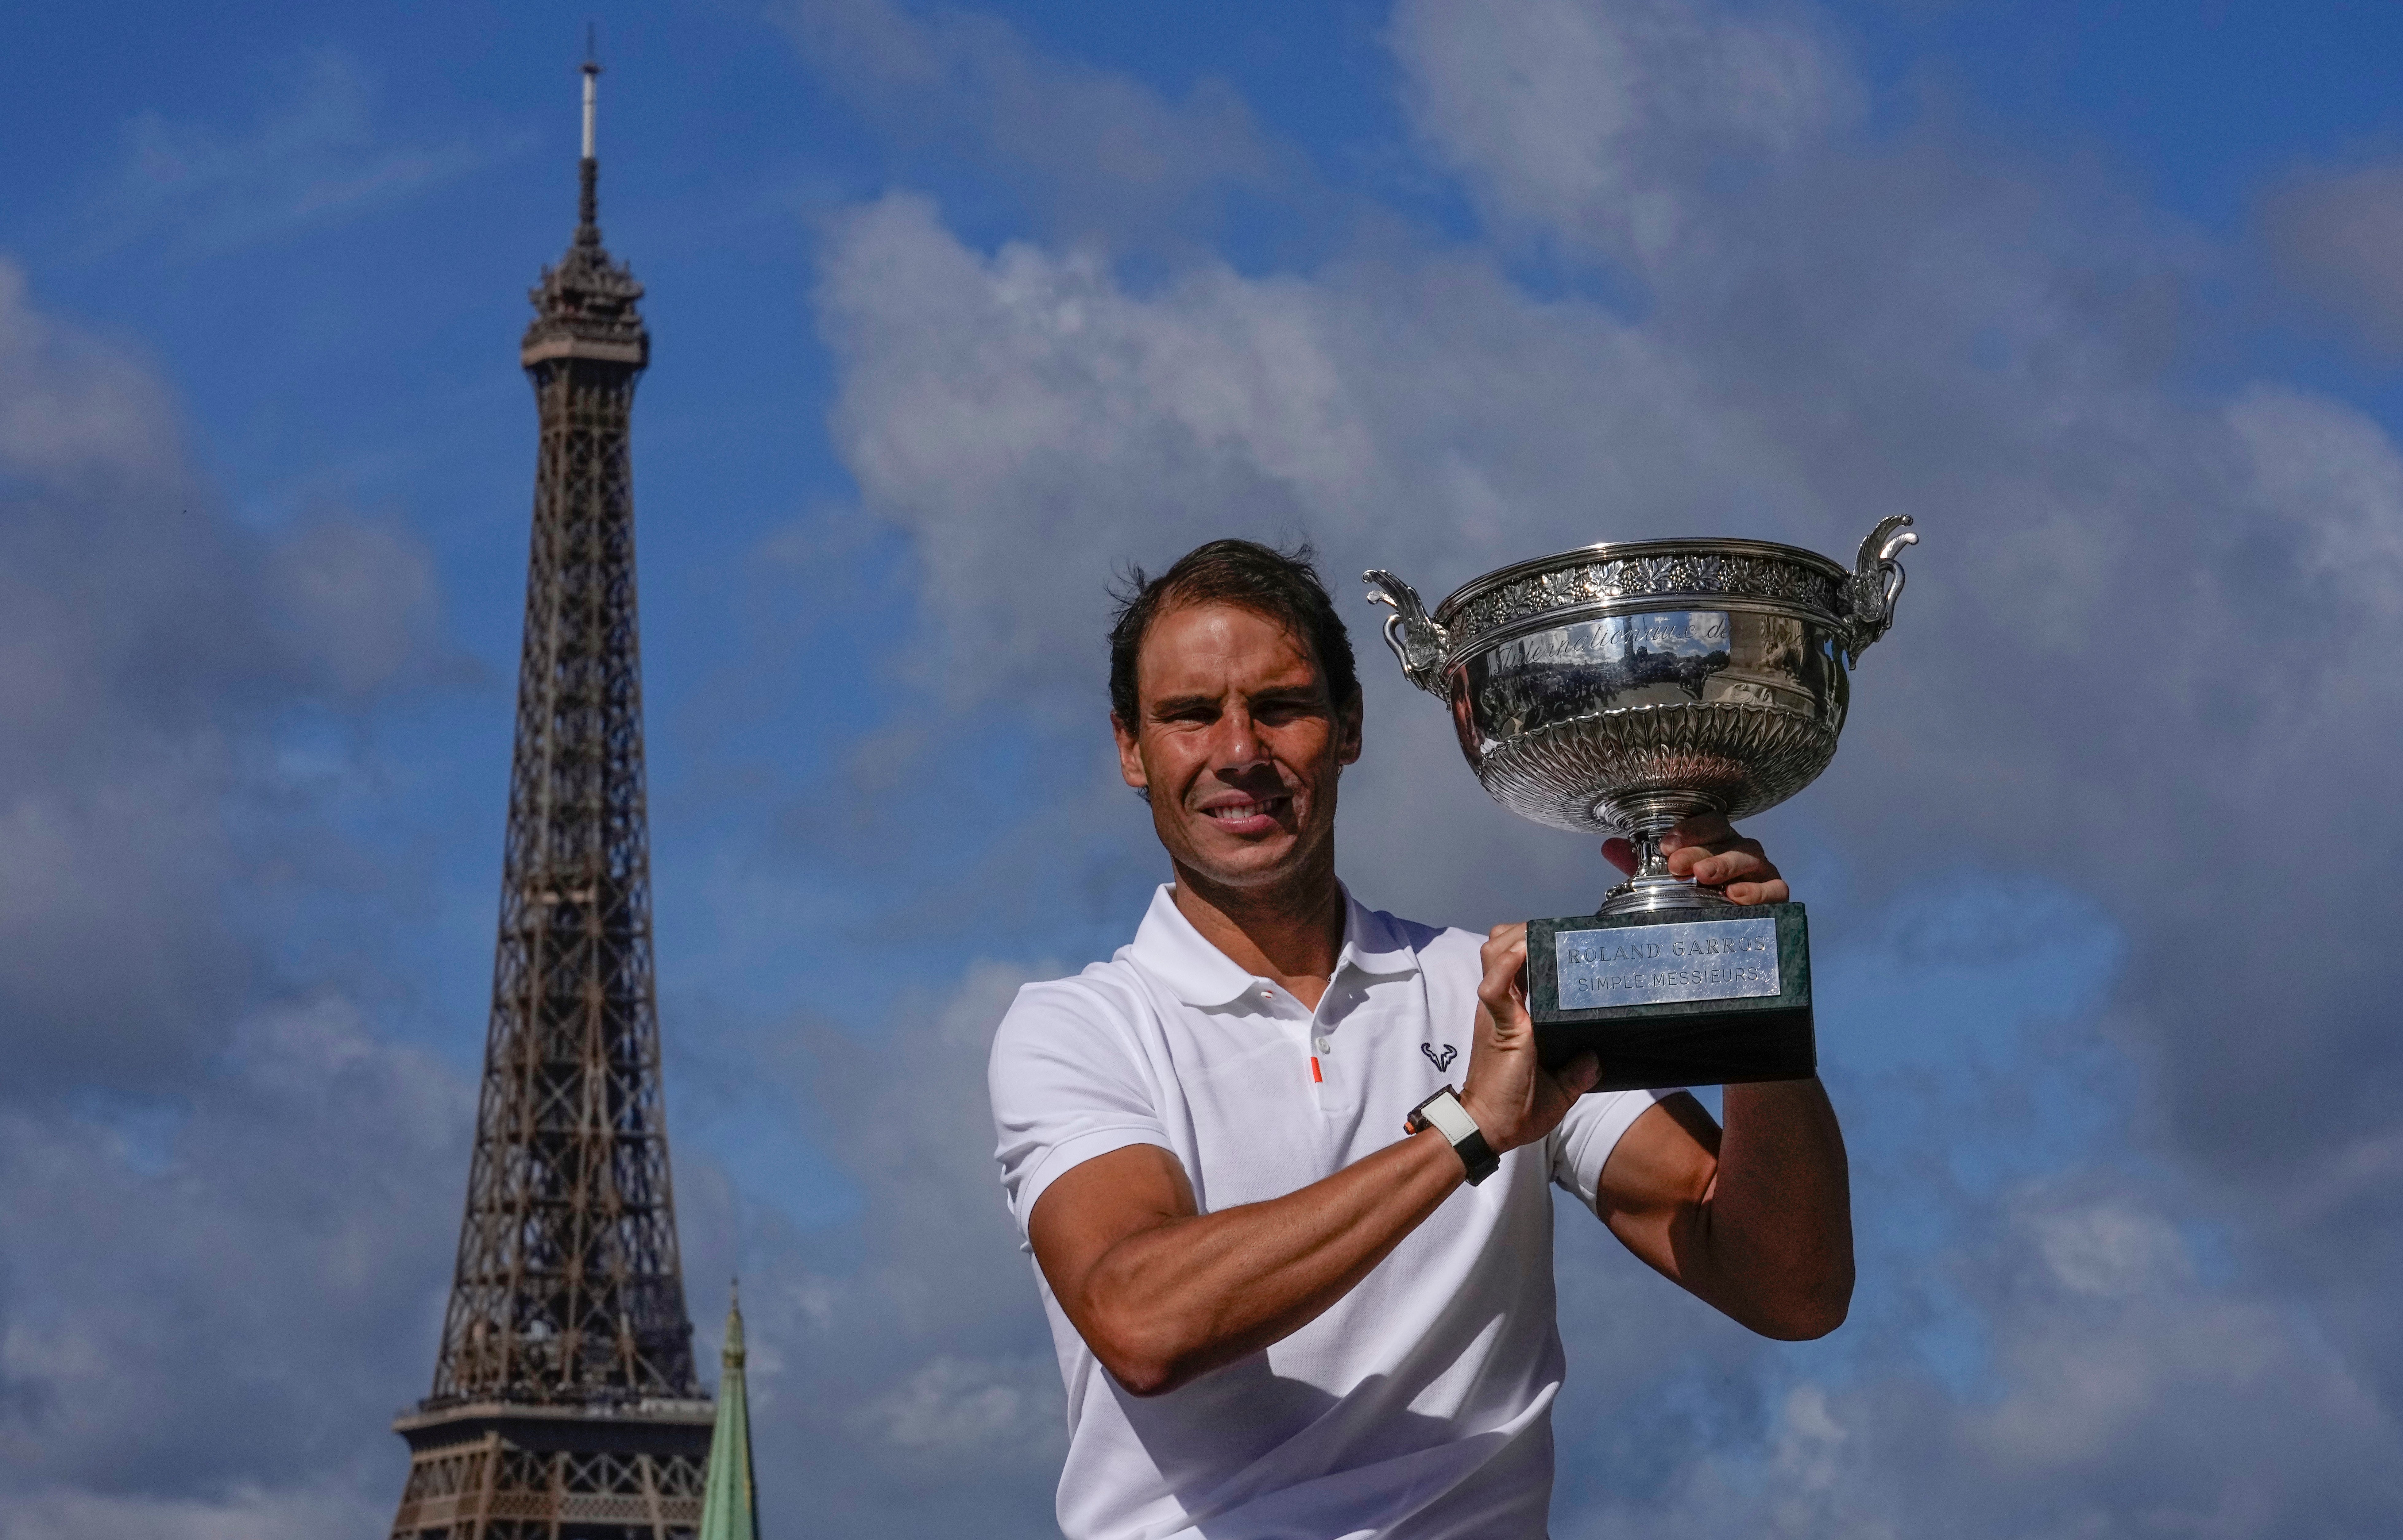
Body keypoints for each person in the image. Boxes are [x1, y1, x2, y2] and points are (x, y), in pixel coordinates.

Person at [988, 539, 1853, 1540]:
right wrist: (1468, 1127)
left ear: (1348, 726)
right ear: (1132, 748)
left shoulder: (1493, 988)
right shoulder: (1079, 1026)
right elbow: (1142, 1322)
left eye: (1280, 706)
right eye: (1190, 714)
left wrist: (1754, 991)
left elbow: (1793, 1287)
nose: (1237, 751)